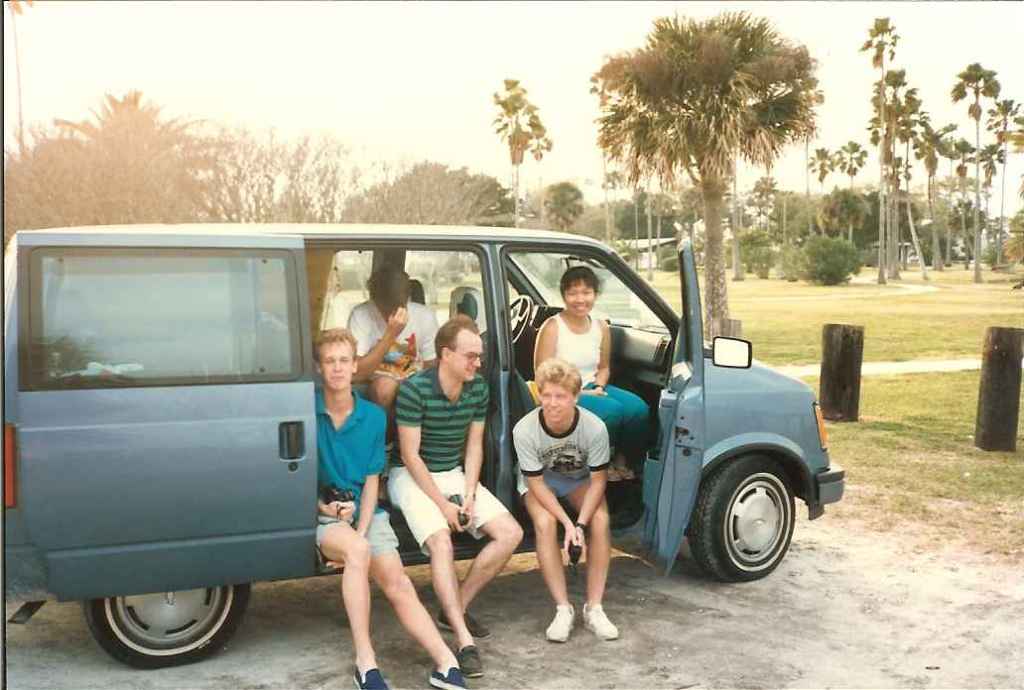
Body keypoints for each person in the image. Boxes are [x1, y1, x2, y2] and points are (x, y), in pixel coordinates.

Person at [314, 328, 468, 690]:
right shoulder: (306, 413)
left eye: (343, 361)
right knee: (357, 550)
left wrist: (362, 526)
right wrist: (325, 506)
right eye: (329, 361)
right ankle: (365, 663)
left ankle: (445, 662)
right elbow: (295, 472)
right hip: (322, 513)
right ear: (320, 369)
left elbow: (371, 482)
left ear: (355, 367)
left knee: (398, 582)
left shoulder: (373, 417)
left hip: (363, 513)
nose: (337, 368)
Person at [391, 315, 524, 678]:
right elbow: (410, 456)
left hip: (453, 472)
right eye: (470, 356)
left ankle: (453, 608)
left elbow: (474, 445)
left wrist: (467, 494)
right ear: (445, 354)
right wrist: (443, 505)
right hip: (410, 476)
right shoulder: (415, 389)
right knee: (441, 542)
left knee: (511, 534)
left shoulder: (477, 387)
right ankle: (464, 639)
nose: (477, 363)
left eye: (479, 356)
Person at [513, 358, 620, 643]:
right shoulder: (524, 430)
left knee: (600, 520)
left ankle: (594, 607)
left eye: (560, 396)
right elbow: (534, 482)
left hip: (578, 479)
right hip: (541, 481)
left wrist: (580, 525)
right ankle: (563, 608)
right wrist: (567, 524)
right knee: (546, 523)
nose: (552, 403)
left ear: (575, 397)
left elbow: (598, 481)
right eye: (546, 395)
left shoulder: (594, 428)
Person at [533, 265, 650, 481]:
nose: (580, 299)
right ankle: (599, 468)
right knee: (612, 411)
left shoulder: (601, 327)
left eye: (586, 293)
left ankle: (623, 461)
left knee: (638, 410)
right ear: (564, 296)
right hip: (560, 393)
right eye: (573, 293)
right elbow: (541, 376)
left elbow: (603, 367)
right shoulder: (552, 326)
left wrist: (598, 386)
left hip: (592, 387)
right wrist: (581, 395)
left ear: (595, 294)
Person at [348, 264, 440, 418]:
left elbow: (431, 366)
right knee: (384, 388)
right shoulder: (361, 315)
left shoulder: (425, 316)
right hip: (378, 379)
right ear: (373, 301)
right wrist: (390, 334)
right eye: (385, 310)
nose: (391, 315)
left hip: (415, 378)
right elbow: (356, 373)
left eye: (397, 308)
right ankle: (382, 439)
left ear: (407, 300)